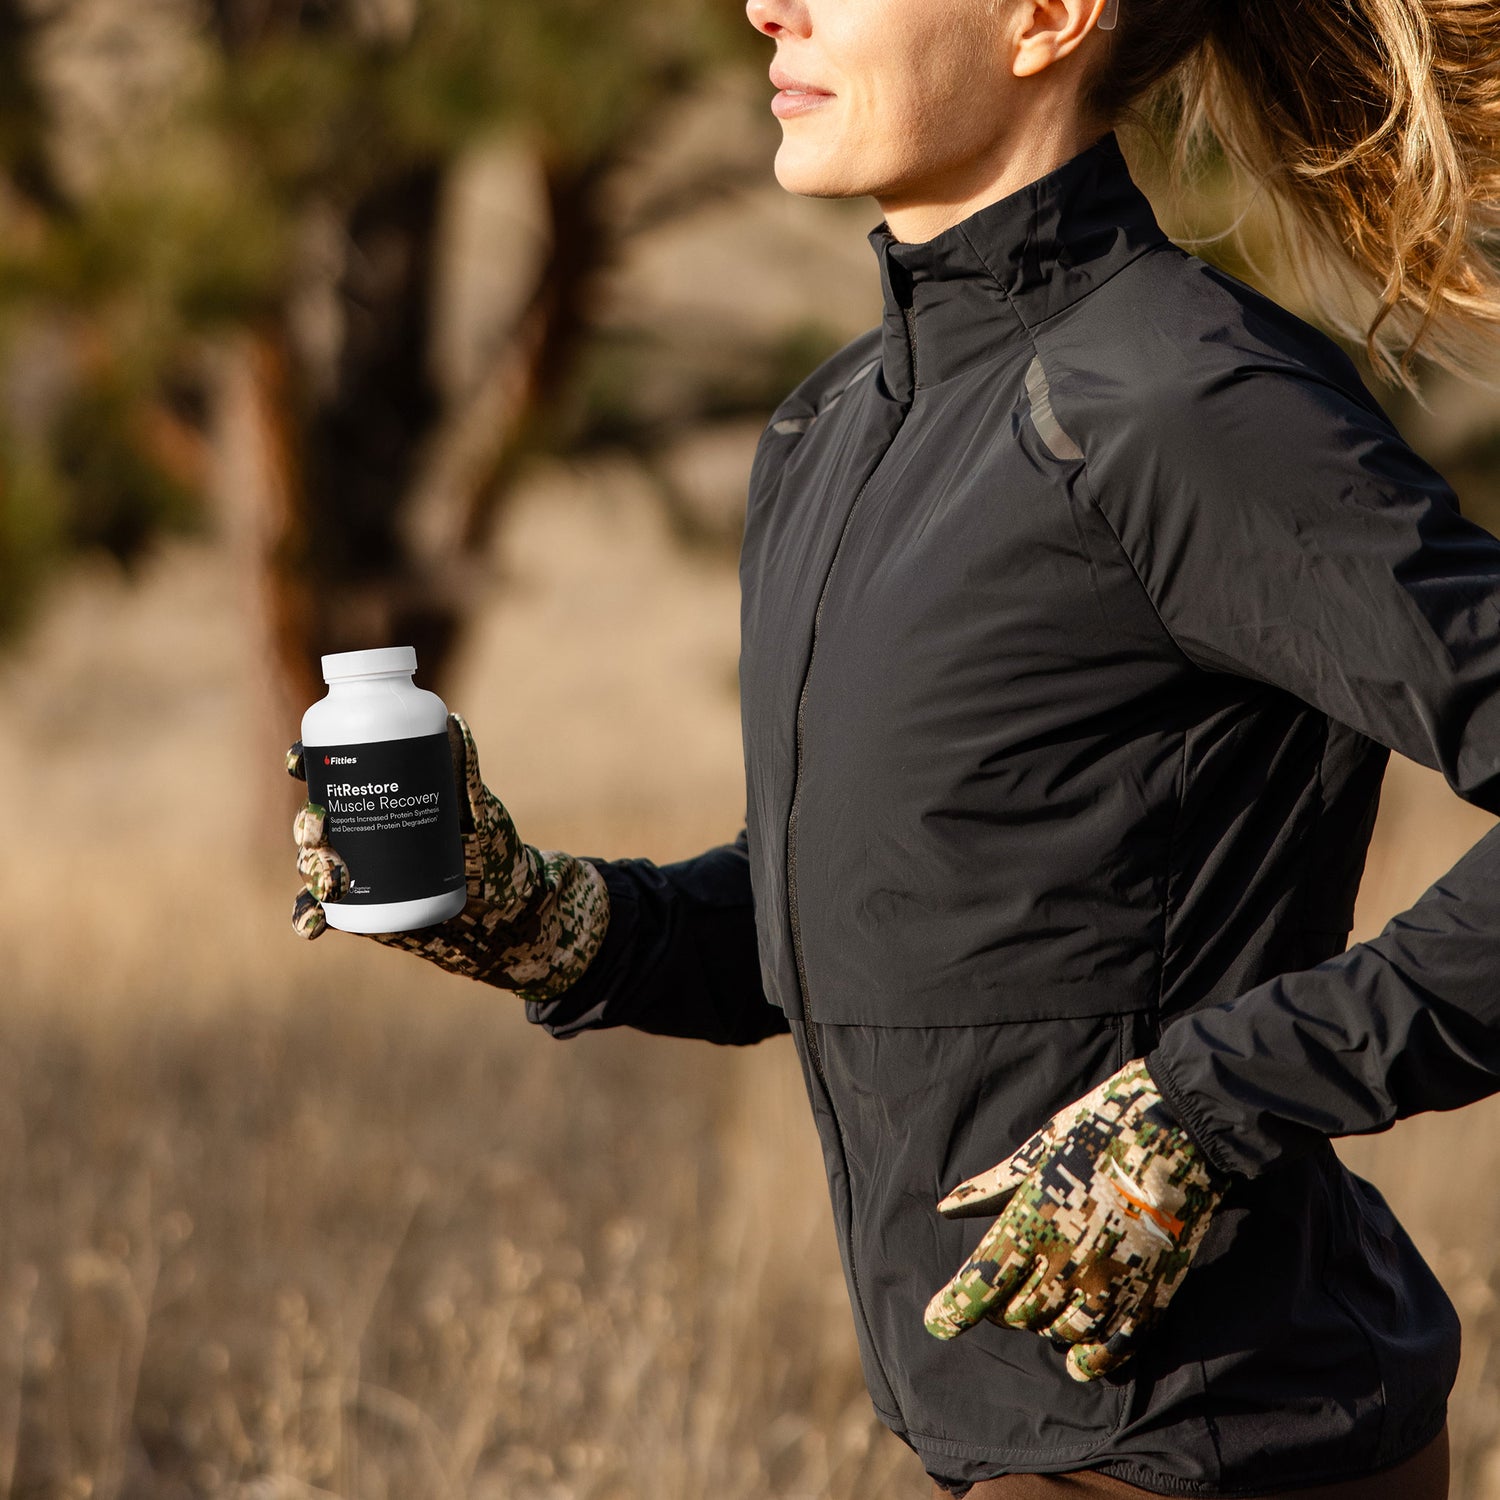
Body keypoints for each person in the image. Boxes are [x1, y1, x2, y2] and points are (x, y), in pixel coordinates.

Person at [286, 0, 1500, 1492]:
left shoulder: (1183, 402)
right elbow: (902, 919)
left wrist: (1225, 1098)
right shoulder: (830, 435)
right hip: (1009, 1447)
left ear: (1046, 17)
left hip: (1239, 1441)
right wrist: (556, 926)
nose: (767, 6)